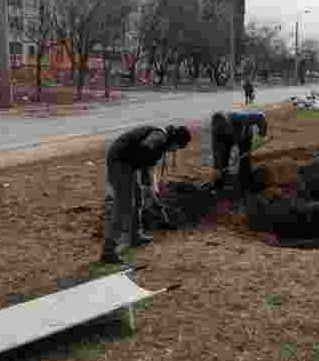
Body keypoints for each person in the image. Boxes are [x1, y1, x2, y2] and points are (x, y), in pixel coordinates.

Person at [101, 124, 193, 264]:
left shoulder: (160, 143)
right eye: (177, 148)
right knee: (124, 205)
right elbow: (144, 150)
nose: (174, 151)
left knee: (138, 199)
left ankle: (135, 236)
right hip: (119, 162)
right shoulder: (159, 137)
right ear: (175, 142)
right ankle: (109, 251)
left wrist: (151, 191)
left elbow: (148, 168)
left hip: (129, 163)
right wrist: (147, 180)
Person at [205, 110, 267, 195]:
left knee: (244, 160)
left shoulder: (239, 118)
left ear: (228, 123)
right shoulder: (216, 133)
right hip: (227, 141)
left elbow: (260, 117)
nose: (223, 131)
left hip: (245, 136)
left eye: (224, 128)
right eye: (221, 131)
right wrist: (217, 168)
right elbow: (217, 152)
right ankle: (219, 184)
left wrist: (262, 133)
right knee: (222, 160)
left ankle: (246, 183)